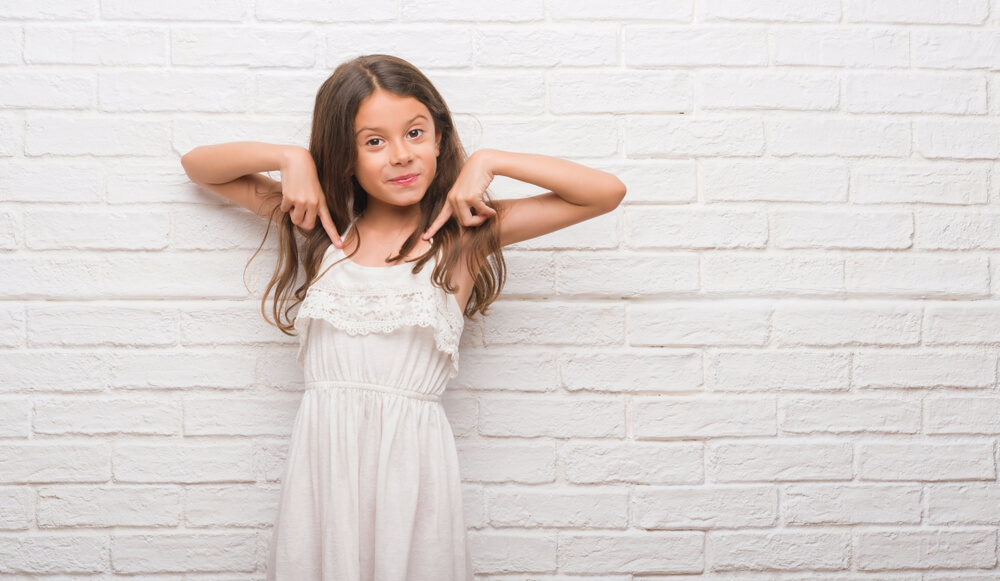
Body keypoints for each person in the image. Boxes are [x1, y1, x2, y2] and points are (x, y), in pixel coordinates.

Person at [180, 54, 626, 581]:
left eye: (415, 132)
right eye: (373, 141)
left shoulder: (462, 239)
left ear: (439, 136)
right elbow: (198, 166)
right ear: (346, 156)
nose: (400, 155)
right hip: (323, 465)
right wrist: (290, 157)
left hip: (410, 468)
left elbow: (605, 193)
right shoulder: (324, 230)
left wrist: (491, 160)